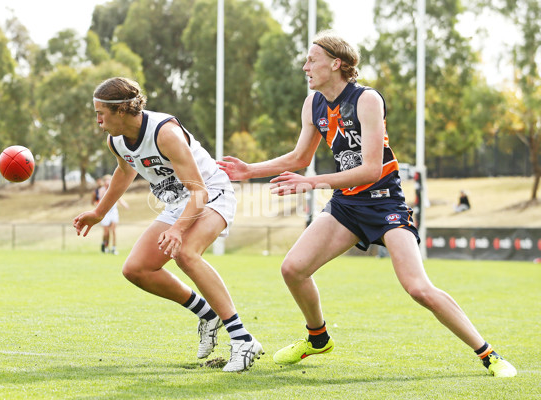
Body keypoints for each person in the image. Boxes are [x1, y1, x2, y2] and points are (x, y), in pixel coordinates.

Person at [217, 30, 516, 378]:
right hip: (347, 206)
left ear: (336, 63)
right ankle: (318, 338)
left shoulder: (366, 100)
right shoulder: (313, 104)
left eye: (312, 60)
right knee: (292, 269)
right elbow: (300, 157)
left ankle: (489, 355)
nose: (305, 67)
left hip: (385, 204)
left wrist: (311, 183)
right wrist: (249, 170)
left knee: (418, 288)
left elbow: (371, 169)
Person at [73, 77, 263, 372]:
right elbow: (125, 172)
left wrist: (177, 229)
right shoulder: (116, 140)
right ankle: (207, 314)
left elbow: (199, 191)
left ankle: (243, 339)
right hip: (179, 204)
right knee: (135, 269)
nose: (98, 120)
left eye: (101, 113)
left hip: (212, 194)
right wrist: (99, 212)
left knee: (186, 253)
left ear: (121, 110)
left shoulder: (166, 133)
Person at [94, 174, 129, 254]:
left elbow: (119, 199)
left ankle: (113, 248)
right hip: (105, 213)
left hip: (113, 212)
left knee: (113, 230)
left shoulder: (114, 189)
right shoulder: (102, 190)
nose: (108, 182)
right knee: (106, 232)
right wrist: (106, 189)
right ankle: (105, 246)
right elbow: (101, 198)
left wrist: (125, 205)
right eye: (106, 181)